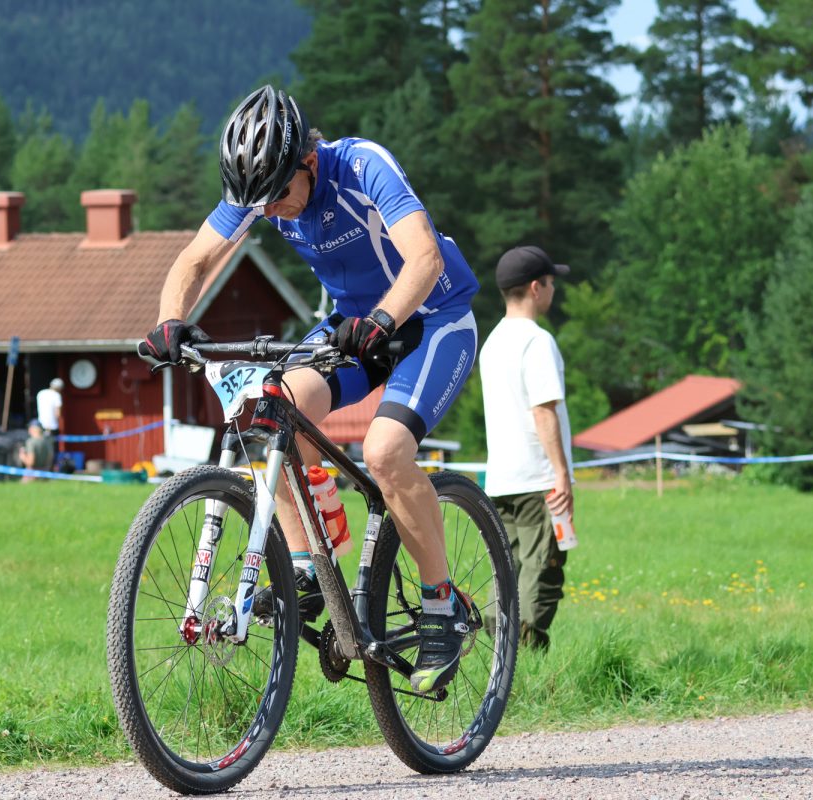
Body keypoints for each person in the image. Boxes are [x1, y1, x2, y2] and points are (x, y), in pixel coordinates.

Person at [140, 85, 479, 693]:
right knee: (270, 410)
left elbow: (425, 258)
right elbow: (195, 260)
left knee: (384, 452)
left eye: (278, 197)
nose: (271, 212)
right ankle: (308, 563)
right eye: (259, 204)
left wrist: (383, 320)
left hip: (433, 317)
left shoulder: (362, 166)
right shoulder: (260, 190)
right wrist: (169, 321)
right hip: (354, 325)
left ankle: (442, 605)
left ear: (308, 161)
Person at [479, 245, 575, 651]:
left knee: (508, 568)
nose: (553, 290)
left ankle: (498, 656)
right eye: (551, 283)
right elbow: (543, 411)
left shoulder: (492, 342)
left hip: (500, 478)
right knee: (543, 569)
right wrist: (561, 474)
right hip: (538, 477)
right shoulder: (537, 341)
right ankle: (527, 656)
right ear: (536, 287)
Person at [35, 378, 64, 446]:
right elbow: (58, 414)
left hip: (41, 424)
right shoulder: (57, 395)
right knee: (51, 446)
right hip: (52, 426)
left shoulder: (40, 393)